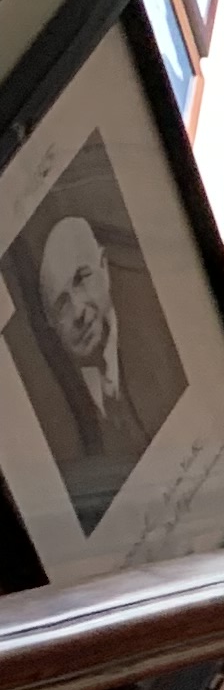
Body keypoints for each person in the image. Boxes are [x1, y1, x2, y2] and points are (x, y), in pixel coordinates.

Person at [12, 178, 185, 535]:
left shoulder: (168, 339)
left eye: (82, 278)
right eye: (60, 304)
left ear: (104, 267)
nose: (77, 311)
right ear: (49, 323)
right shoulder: (49, 430)